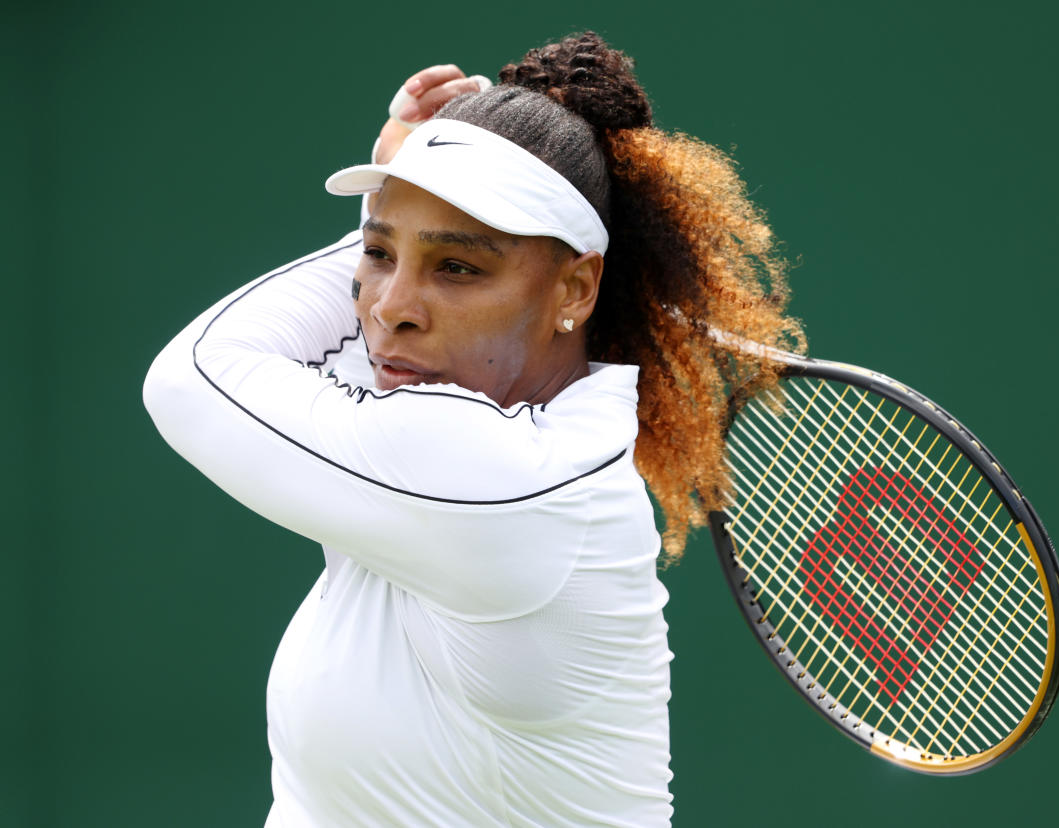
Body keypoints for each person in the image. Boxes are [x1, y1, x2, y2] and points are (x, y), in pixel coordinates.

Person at [144, 32, 802, 827]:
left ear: (576, 288)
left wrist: (385, 216)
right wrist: (403, 197)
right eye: (378, 255)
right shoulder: (441, 407)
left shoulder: (497, 485)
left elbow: (194, 375)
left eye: (458, 268)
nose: (391, 308)